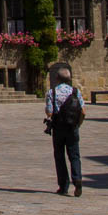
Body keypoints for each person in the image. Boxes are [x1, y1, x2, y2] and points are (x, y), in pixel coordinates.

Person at [44, 67, 85, 197]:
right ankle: (77, 179)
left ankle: (63, 186)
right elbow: (83, 112)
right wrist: (78, 124)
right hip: (72, 127)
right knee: (74, 155)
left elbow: (50, 112)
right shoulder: (75, 92)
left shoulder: (52, 93)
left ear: (57, 78)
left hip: (58, 127)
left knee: (59, 156)